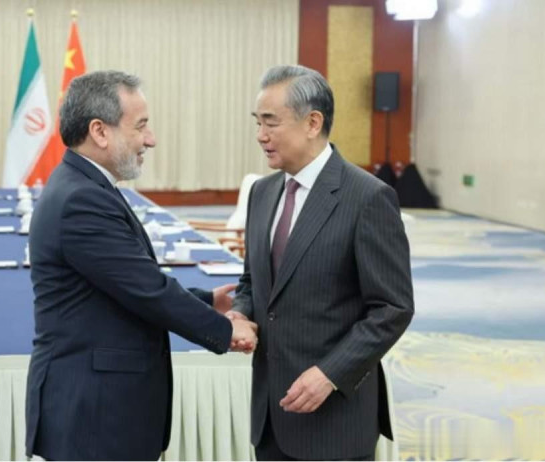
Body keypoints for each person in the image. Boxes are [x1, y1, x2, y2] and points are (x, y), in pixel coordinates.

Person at [25, 71, 258, 461]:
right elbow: (146, 289)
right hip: (94, 416)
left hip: (98, 409)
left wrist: (204, 301)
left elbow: (119, 285)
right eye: (141, 126)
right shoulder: (82, 199)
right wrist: (226, 330)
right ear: (100, 131)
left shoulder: (86, 185)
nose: (151, 139)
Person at [228, 65, 414, 461]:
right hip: (271, 415)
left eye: (271, 122)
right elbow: (252, 282)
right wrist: (241, 313)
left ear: (313, 123)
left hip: (334, 420)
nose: (260, 135)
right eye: (257, 122)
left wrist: (330, 373)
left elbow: (392, 308)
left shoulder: (367, 198)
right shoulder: (262, 192)